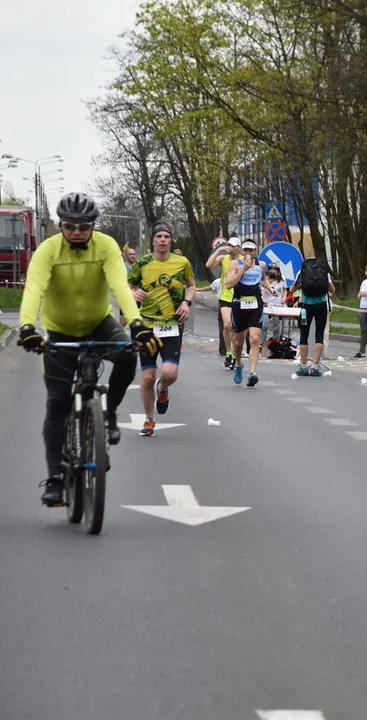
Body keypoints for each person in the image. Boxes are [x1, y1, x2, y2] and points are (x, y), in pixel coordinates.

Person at [17, 192, 159, 507]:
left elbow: (120, 286)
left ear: (93, 225)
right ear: (60, 225)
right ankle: (54, 478)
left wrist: (136, 323)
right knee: (56, 404)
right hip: (59, 330)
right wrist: (27, 326)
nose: (77, 232)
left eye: (84, 226)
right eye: (70, 226)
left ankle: (108, 413)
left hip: (99, 323)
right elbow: (33, 289)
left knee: (127, 353)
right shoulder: (47, 251)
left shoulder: (106, 246)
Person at [128, 222, 195, 436]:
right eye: (159, 236)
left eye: (167, 236)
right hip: (146, 326)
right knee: (147, 377)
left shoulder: (182, 262)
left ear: (171, 240)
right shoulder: (142, 263)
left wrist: (186, 302)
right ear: (153, 240)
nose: (163, 240)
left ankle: (163, 388)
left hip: (172, 325)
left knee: (169, 373)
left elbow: (191, 284)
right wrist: (133, 294)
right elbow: (127, 286)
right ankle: (149, 419)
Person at [225, 240, 265, 386]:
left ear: (256, 251)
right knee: (238, 341)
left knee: (254, 339)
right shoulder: (235, 264)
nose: (248, 253)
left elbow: (263, 279)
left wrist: (269, 288)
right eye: (246, 250)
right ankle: (239, 365)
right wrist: (243, 270)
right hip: (239, 305)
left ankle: (252, 372)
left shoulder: (261, 265)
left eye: (251, 250)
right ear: (242, 251)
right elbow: (229, 285)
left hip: (255, 304)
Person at [293, 253, 336, 377]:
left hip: (306, 307)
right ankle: (315, 367)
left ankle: (303, 365)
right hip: (321, 305)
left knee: (304, 335)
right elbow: (332, 290)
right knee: (319, 335)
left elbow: (292, 289)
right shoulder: (323, 271)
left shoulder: (302, 272)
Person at [205, 236, 241, 369]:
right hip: (225, 297)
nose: (231, 248)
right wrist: (219, 250)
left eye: (233, 246)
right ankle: (228, 352)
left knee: (236, 329)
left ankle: (235, 351)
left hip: (239, 297)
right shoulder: (223, 259)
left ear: (238, 248)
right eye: (229, 245)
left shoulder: (243, 260)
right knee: (227, 325)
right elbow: (208, 265)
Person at [263, 264, 286, 341]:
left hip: (277, 304)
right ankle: (262, 342)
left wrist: (284, 297)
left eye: (275, 269)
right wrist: (263, 300)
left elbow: (284, 290)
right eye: (271, 269)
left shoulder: (282, 278)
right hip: (266, 304)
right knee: (264, 325)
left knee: (276, 325)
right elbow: (262, 290)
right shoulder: (265, 279)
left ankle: (275, 341)